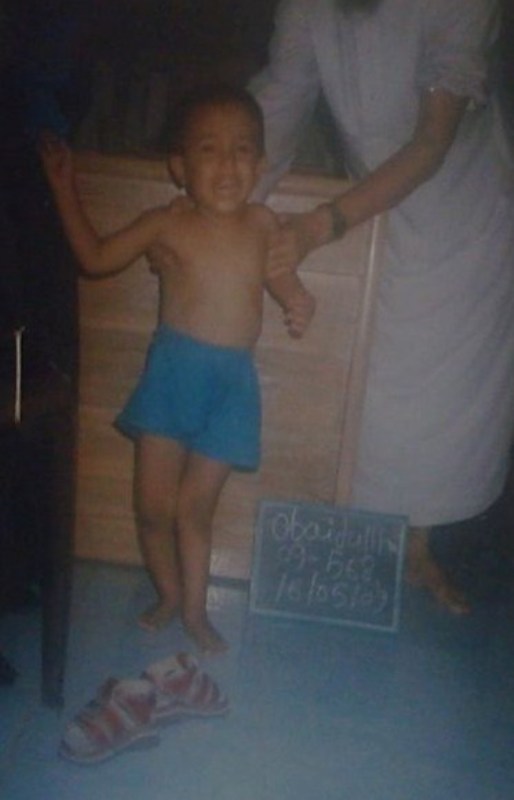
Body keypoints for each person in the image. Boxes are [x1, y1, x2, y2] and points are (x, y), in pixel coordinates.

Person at [250, 0, 514, 613]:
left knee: (439, 406)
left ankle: (424, 548)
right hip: (371, 201)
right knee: (371, 393)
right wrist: (229, 200)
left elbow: (432, 141)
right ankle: (361, 551)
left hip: (464, 213)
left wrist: (322, 224)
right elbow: (280, 102)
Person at [40, 84, 316, 653]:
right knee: (151, 510)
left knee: (194, 511)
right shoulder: (165, 224)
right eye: (209, 149)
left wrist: (298, 300)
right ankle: (168, 593)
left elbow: (282, 277)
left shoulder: (264, 223)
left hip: (232, 388)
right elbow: (95, 258)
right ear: (179, 167)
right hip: (172, 378)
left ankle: (194, 611)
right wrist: (64, 188)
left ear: (261, 164)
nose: (227, 164)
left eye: (242, 150)